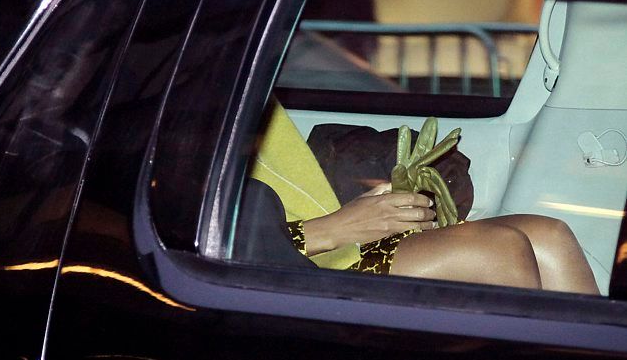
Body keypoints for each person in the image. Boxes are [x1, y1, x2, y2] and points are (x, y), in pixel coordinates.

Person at [251, 99, 600, 294]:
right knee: (497, 250)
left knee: (548, 236)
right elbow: (220, 244)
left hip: (309, 240)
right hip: (277, 262)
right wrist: (332, 229)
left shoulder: (238, 66)